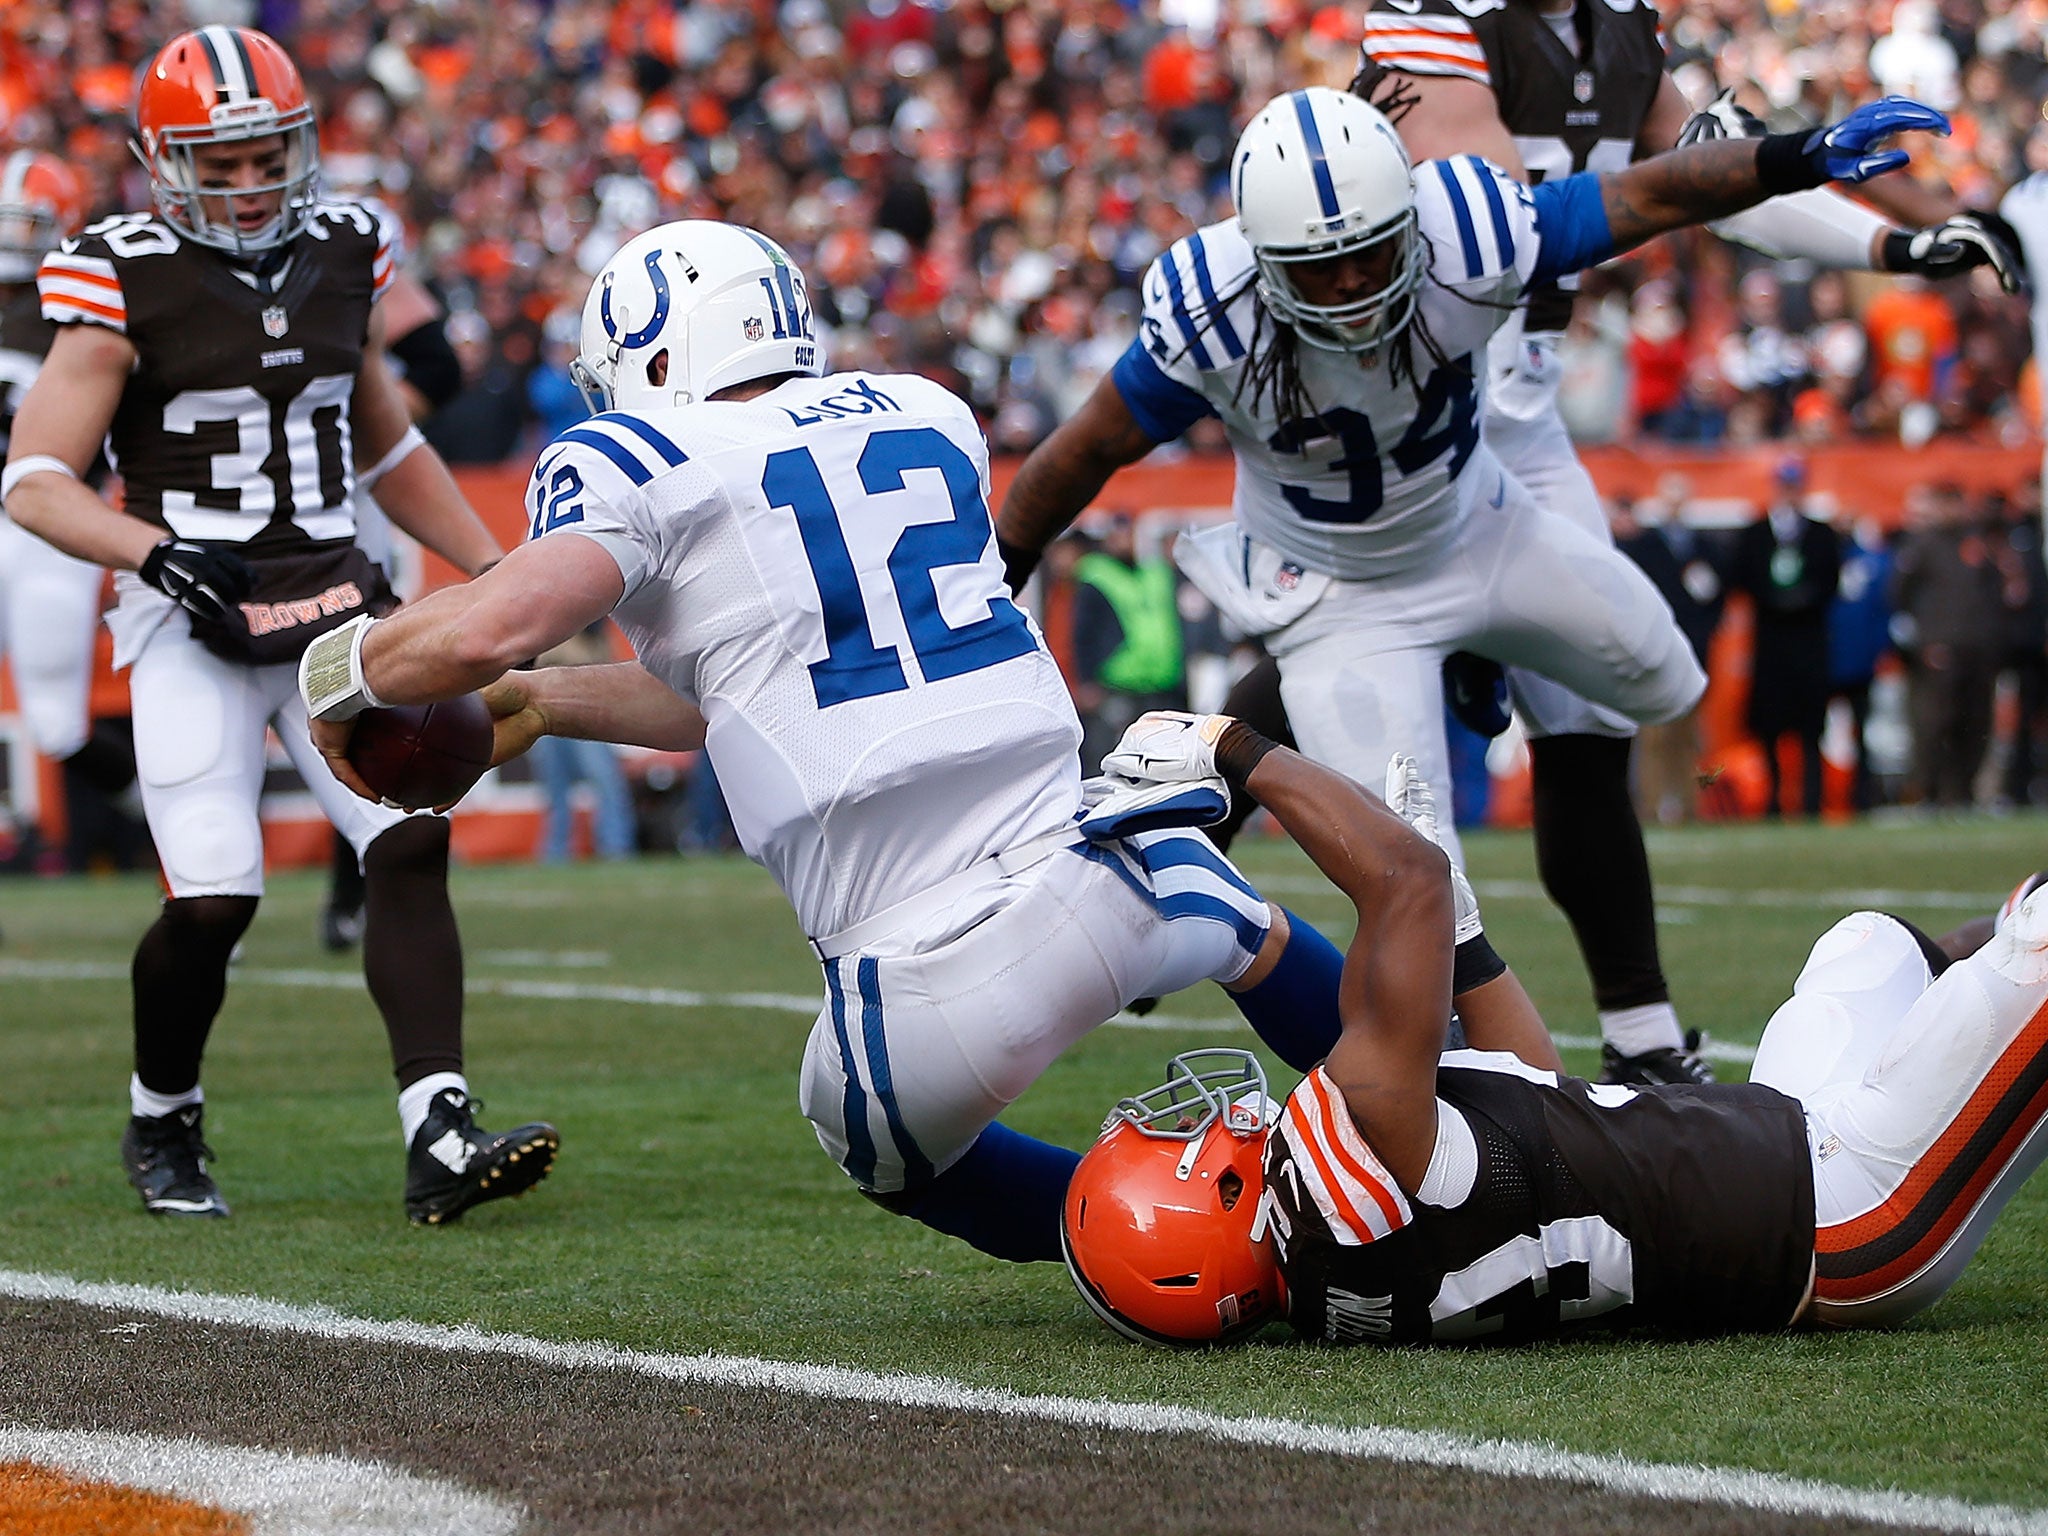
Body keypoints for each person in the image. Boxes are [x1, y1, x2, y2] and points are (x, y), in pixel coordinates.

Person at [299, 219, 1358, 1266]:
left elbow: (491, 625)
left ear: (659, 358)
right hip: (1098, 875)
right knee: (1228, 908)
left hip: (909, 983)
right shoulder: (924, 411)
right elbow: (737, 684)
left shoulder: (640, 451)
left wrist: (341, 666)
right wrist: (542, 701)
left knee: (881, 1148)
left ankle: (1131, 1238)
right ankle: (1439, 1125)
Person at [995, 84, 1951, 1083]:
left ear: (1409, 217)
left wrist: (1791, 154)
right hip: (1340, 593)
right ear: (1265, 261)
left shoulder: (1470, 230)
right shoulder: (1214, 315)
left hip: (1476, 523)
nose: (1357, 282)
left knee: (1660, 676)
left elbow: (1651, 195)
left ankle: (1459, 660)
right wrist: (999, 569)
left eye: (1372, 248)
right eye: (1322, 268)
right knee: (1417, 883)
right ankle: (1466, 1109)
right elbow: (1082, 449)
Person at [1252, 3, 2019, 1089]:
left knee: (1596, 711)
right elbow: (1539, 207)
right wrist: (1783, 181)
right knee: (1363, 674)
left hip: (1520, 410)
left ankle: (1644, 1038)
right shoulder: (1438, 19)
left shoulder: (1617, 30)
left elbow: (1712, 170)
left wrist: (1894, 241)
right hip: (1411, 410)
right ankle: (1172, 813)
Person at [1, 26, 557, 1225]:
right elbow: (34, 480)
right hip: (188, 609)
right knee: (214, 897)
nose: (251, 184)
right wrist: (152, 550)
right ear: (166, 161)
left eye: (268, 157)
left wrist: (498, 569)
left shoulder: (347, 245)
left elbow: (390, 443)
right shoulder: (118, 273)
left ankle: (439, 1131)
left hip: (333, 601)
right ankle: (163, 1110)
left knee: (407, 832)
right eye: (224, 160)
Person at [1062, 710, 2048, 1347]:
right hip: (1847, 1208)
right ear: (1210, 1203)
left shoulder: (1337, 1255)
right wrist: (1230, 747)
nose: (1194, 1123)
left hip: (1784, 1148)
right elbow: (1395, 881)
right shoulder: (1337, 1160)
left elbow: (1525, 1087)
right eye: (1175, 1141)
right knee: (2035, 941)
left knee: (1866, 951)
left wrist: (1464, 936)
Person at [0, 151, 140, 872]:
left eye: (23, 222)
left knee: (58, 727)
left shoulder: (78, 302)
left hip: (49, 523)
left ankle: (168, 822)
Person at [1730, 460, 1841, 818]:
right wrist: (1775, 600)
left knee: (1810, 729)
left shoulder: (1822, 534)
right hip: (1772, 643)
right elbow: (1742, 578)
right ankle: (1774, 801)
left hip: (1809, 644)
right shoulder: (1757, 533)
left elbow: (1831, 581)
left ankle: (1811, 801)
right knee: (1770, 727)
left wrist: (1804, 598)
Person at [1070, 510, 1187, 772]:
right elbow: (1083, 632)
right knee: (1112, 758)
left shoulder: (1155, 573)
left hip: (1162, 682)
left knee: (1164, 760)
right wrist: (1086, 679)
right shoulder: (1097, 575)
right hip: (1118, 681)